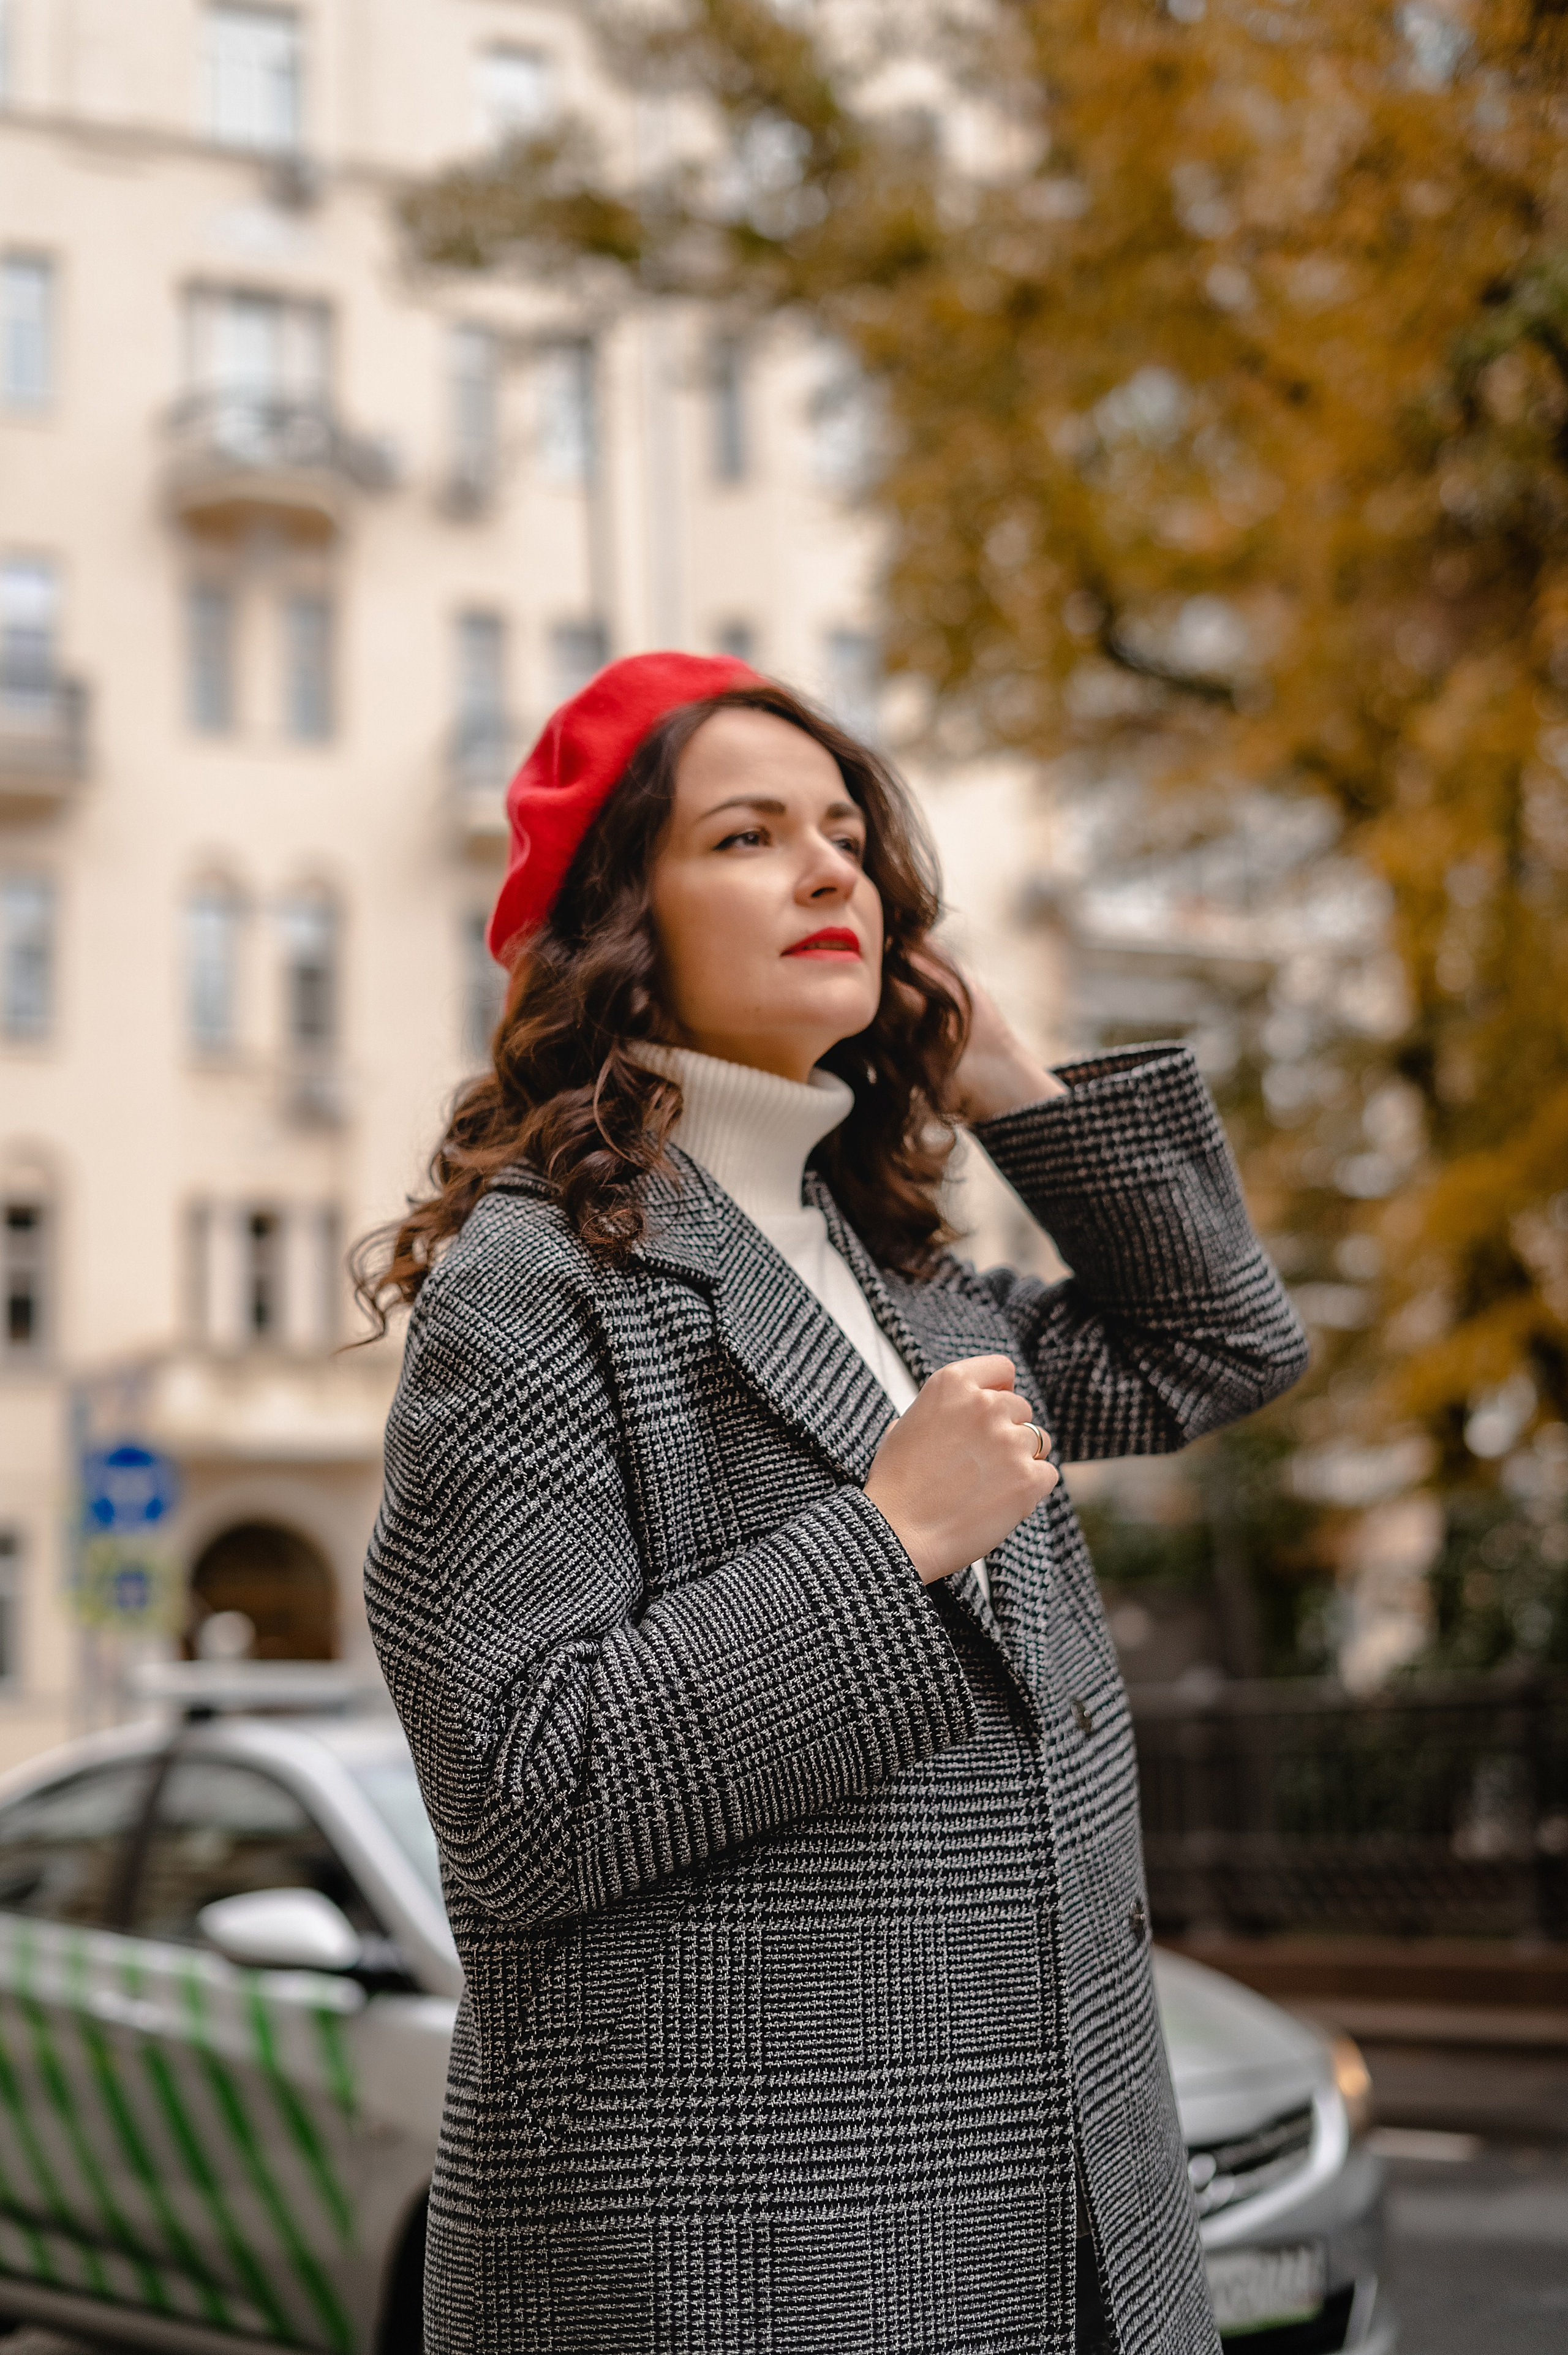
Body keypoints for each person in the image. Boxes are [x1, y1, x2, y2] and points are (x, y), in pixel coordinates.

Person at [359, 650, 1308, 2355]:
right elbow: (520, 1795)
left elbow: (1217, 1343)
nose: (828, 871)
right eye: (747, 835)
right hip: (747, 2274)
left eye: (849, 836)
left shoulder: (902, 1279)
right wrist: (890, 1546)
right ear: (615, 920)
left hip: (1067, 2232)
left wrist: (1009, 1078)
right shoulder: (532, 1286)